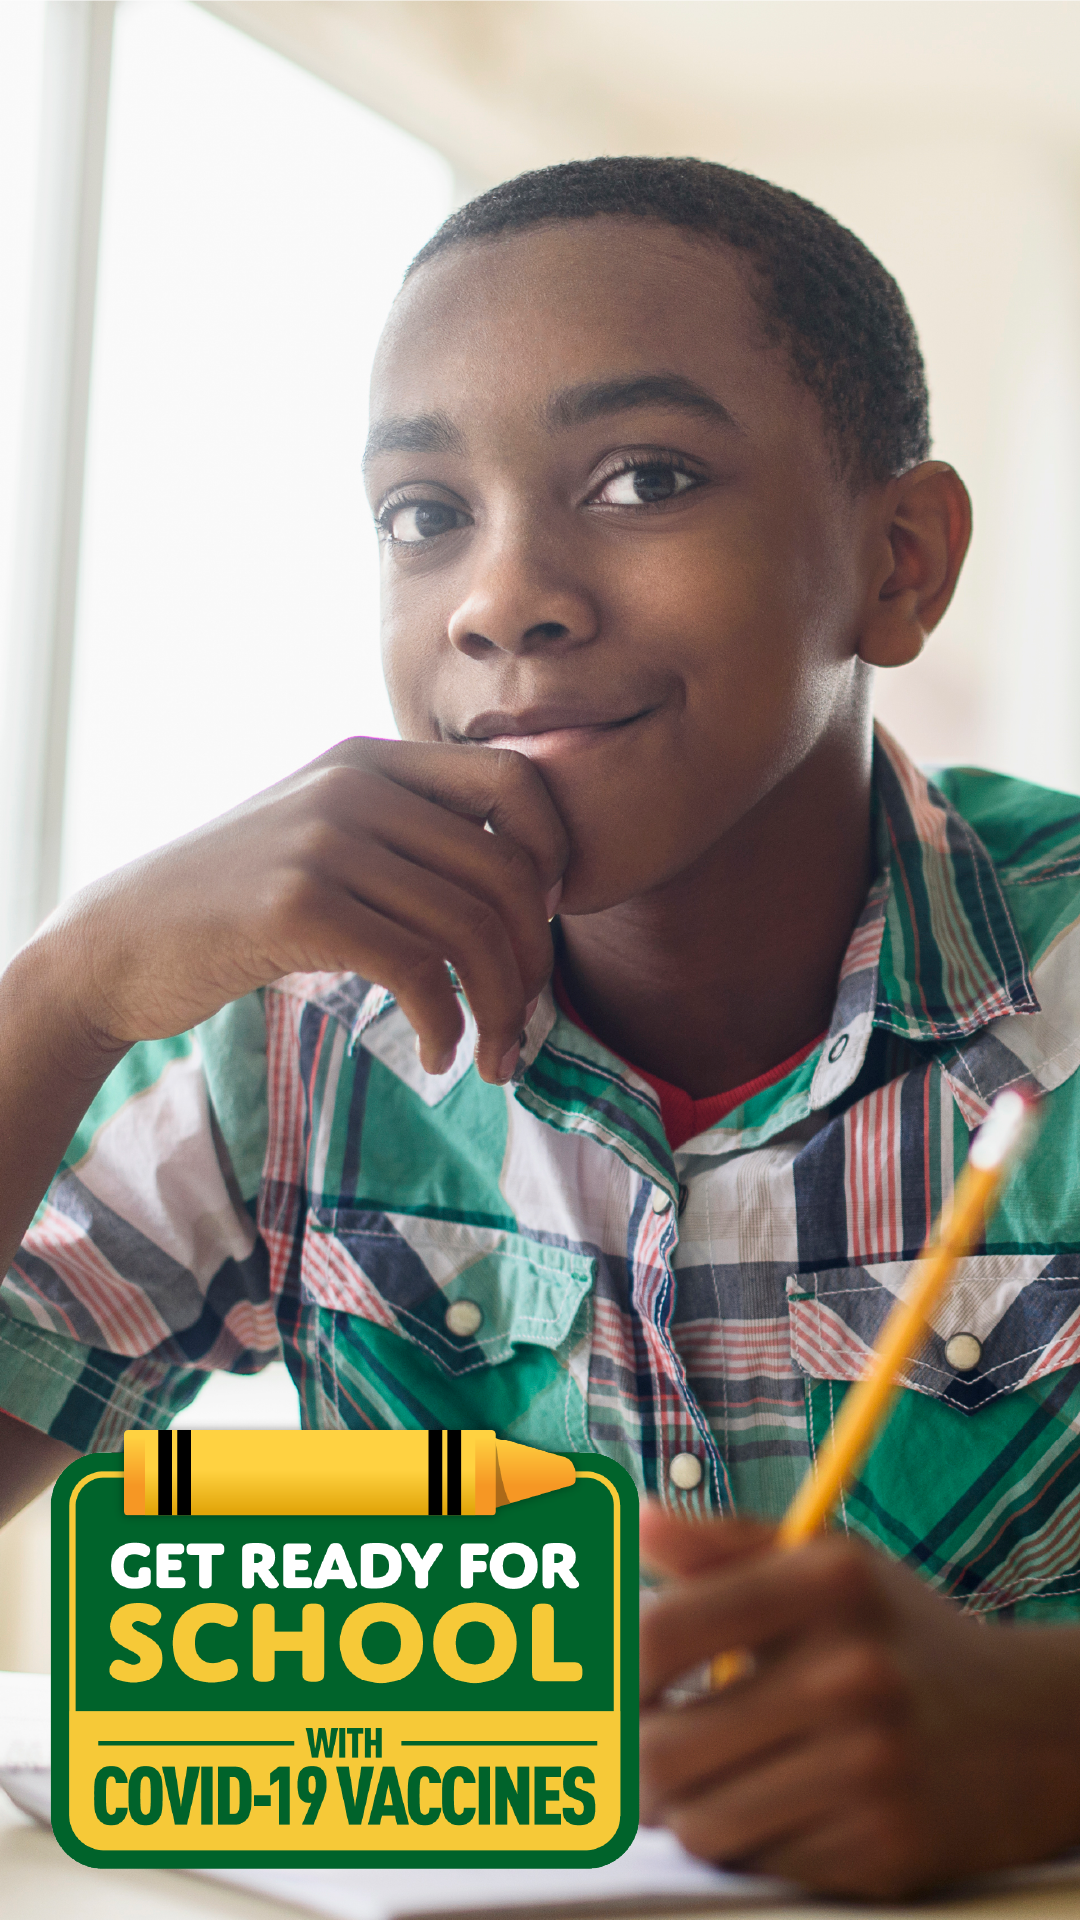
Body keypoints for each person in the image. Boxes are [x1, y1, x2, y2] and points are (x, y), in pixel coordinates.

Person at [3, 156, 1080, 1894]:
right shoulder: (291, 1043)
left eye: (643, 479)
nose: (501, 597)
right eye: (424, 515)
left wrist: (1048, 1736)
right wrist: (57, 992)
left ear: (899, 561)